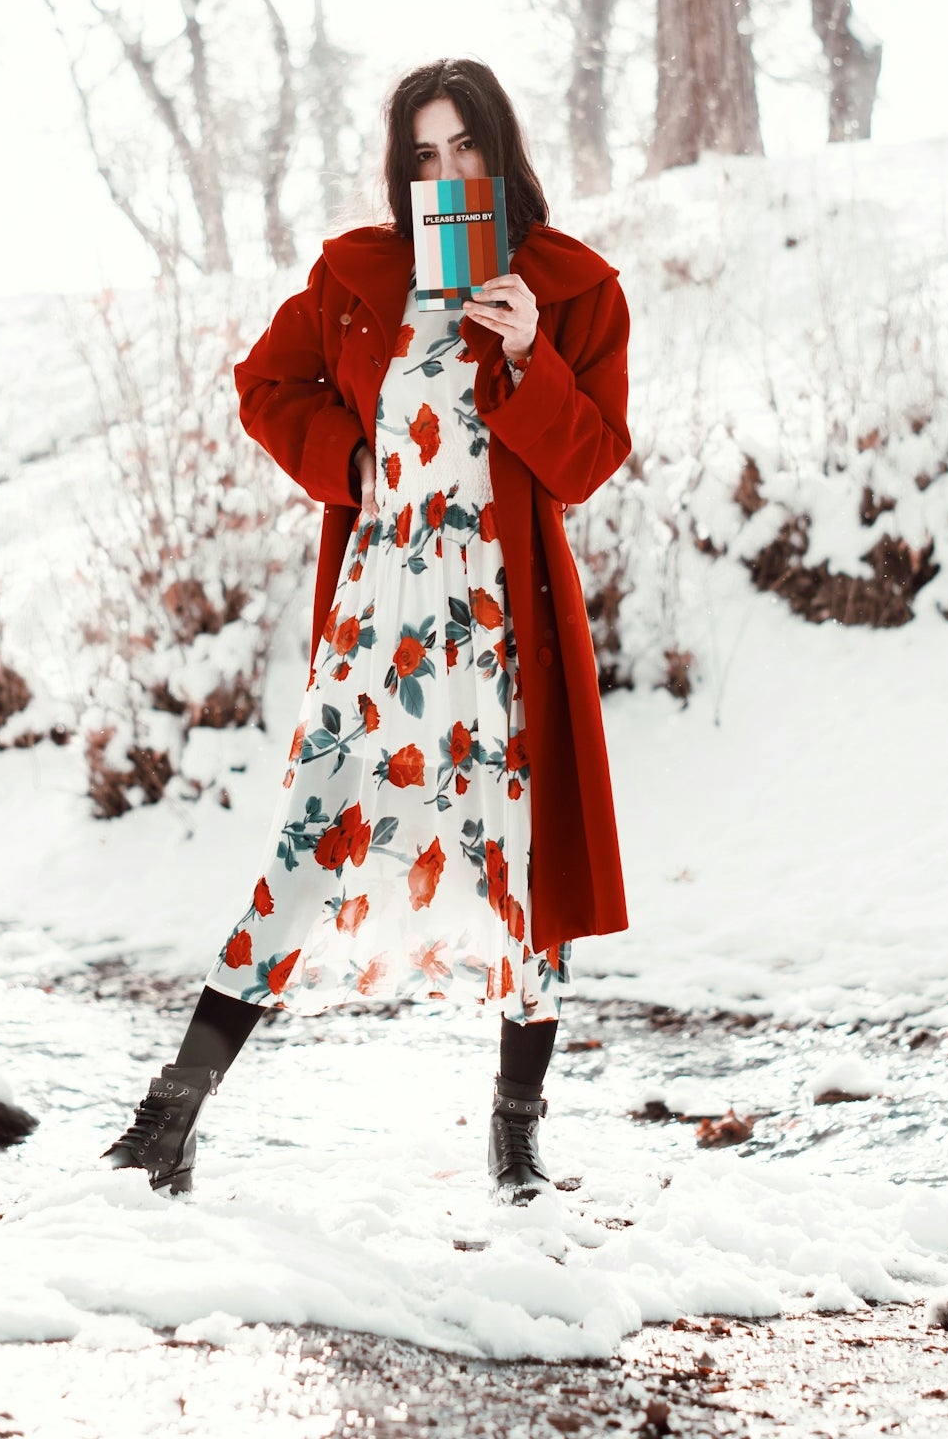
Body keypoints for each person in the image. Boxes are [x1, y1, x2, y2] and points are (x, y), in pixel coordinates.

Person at [103, 59, 632, 1204]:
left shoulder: (575, 288)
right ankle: (172, 1113)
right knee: (306, 843)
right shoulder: (355, 275)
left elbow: (588, 464)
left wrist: (533, 353)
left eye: (466, 151)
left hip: (502, 623)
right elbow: (263, 385)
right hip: (378, 612)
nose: (445, 176)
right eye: (423, 158)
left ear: (503, 153)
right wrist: (349, 464)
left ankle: (517, 1127)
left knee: (525, 869)